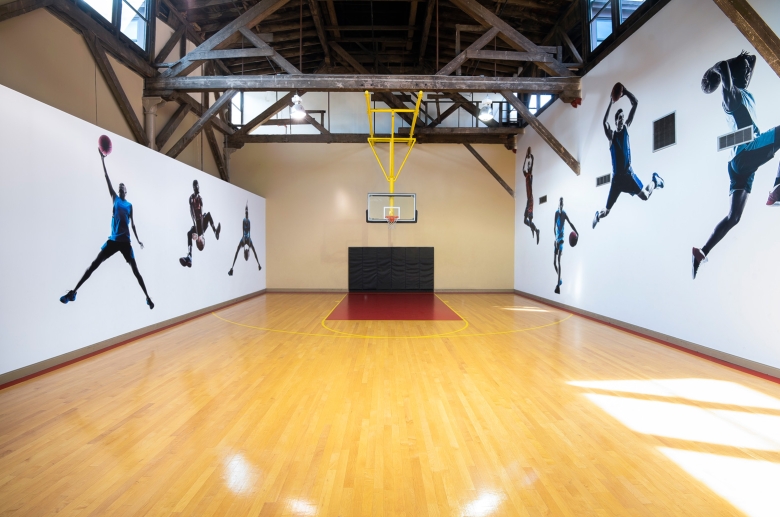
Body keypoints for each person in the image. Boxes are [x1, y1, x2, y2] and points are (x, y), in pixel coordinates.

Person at [692, 51, 780, 278]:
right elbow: (722, 66)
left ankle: (702, 251)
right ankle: (777, 190)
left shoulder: (745, 93)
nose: (749, 73)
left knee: (734, 217)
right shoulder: (731, 97)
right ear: (735, 75)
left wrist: (744, 62)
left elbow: (753, 60)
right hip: (747, 152)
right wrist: (716, 69)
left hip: (737, 164)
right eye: (745, 72)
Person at [60, 149, 153, 309]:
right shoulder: (115, 199)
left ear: (126, 190)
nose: (119, 188)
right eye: (118, 187)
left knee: (136, 272)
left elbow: (133, 224)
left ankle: (147, 297)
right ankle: (73, 293)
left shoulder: (129, 205)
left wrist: (138, 240)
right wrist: (102, 160)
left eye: (122, 186)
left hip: (125, 243)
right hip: (113, 241)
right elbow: (106, 177)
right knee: (93, 265)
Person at [592, 83, 664, 229]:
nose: (621, 121)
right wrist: (610, 103)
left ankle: (655, 181)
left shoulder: (626, 128)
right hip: (617, 180)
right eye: (619, 119)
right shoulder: (611, 136)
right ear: (616, 120)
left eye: (623, 119)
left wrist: (626, 92)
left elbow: (635, 103)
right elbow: (604, 122)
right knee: (606, 211)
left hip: (628, 175)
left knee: (644, 196)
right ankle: (597, 215)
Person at [179, 179, 221, 267]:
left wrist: (199, 227)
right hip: (199, 227)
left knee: (206, 216)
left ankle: (215, 231)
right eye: (195, 187)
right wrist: (196, 223)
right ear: (194, 188)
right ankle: (189, 256)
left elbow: (201, 211)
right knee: (190, 232)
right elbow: (192, 212)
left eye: (197, 186)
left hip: (200, 228)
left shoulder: (199, 198)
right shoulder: (192, 198)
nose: (197, 188)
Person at [228, 203, 262, 276]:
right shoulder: (244, 220)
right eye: (246, 213)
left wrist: (248, 238)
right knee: (237, 251)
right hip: (245, 237)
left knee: (253, 250)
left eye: (247, 214)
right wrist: (244, 237)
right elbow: (243, 229)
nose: (246, 215)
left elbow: (249, 230)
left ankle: (258, 264)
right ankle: (232, 268)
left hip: (247, 238)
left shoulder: (248, 221)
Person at [553, 197, 577, 295]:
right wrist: (555, 239)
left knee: (559, 261)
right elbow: (553, 227)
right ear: (558, 204)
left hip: (561, 241)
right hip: (556, 240)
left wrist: (576, 232)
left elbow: (570, 223)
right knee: (554, 263)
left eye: (562, 204)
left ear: (563, 205)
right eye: (560, 204)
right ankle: (560, 278)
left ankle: (558, 286)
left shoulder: (564, 214)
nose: (561, 206)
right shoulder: (555, 213)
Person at [522, 147, 541, 244]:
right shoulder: (526, 176)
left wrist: (531, 159)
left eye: (529, 167)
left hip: (530, 200)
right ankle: (534, 229)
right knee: (525, 220)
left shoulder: (530, 176)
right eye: (528, 167)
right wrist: (526, 158)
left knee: (528, 219)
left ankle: (536, 230)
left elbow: (531, 166)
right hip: (528, 200)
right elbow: (522, 169)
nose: (528, 167)